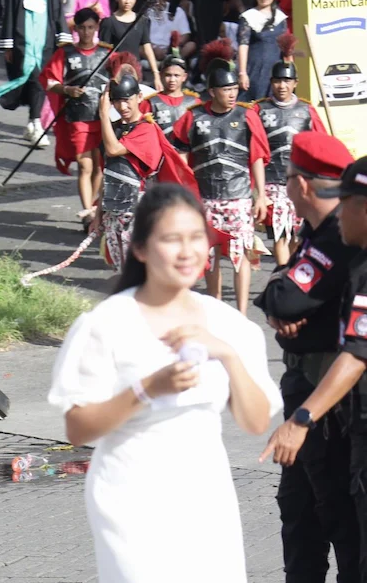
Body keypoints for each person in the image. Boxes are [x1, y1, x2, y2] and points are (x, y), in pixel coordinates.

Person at [49, 182, 281, 583]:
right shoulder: (106, 323)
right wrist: (146, 389)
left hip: (204, 489)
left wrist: (225, 354)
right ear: (140, 248)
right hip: (130, 491)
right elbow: (78, 426)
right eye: (171, 239)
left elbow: (256, 422)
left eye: (196, 238)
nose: (187, 251)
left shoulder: (229, 326)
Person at [254, 132, 360, 583]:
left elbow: (288, 301)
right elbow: (278, 298)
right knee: (298, 514)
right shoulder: (318, 231)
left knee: (338, 515)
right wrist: (285, 299)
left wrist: (290, 304)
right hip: (305, 386)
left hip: (327, 398)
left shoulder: (339, 234)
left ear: (302, 185)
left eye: (289, 179)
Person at [171, 40, 270, 315]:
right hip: (205, 200)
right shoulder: (193, 118)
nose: (231, 94)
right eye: (225, 90)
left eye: (234, 89)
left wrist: (260, 196)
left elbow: (257, 157)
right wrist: (182, 190)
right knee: (211, 258)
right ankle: (215, 309)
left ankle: (241, 313)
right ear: (212, 91)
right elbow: (177, 153)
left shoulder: (247, 116)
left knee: (242, 256)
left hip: (238, 198)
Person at [256, 33, 329, 265]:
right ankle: (282, 272)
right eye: (277, 81)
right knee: (280, 233)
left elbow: (321, 145)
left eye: (287, 81)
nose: (282, 86)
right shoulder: (259, 110)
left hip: (300, 180)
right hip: (273, 182)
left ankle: (293, 271)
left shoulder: (307, 111)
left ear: (295, 83)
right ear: (271, 82)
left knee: (297, 235)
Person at [0, 0, 72, 149]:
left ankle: (35, 122)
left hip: (45, 41)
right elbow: (9, 14)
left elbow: (57, 14)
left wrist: (62, 39)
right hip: (23, 41)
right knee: (31, 78)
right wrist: (8, 44)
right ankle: (34, 122)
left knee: (40, 81)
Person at [95, 54, 167, 270]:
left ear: (138, 97)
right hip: (114, 209)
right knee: (122, 269)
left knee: (138, 272)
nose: (122, 106)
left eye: (127, 99)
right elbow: (108, 173)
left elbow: (113, 149)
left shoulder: (146, 128)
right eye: (117, 101)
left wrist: (102, 115)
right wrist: (99, 212)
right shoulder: (116, 129)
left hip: (138, 211)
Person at [41, 8, 108, 226]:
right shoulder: (65, 53)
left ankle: (94, 206)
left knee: (100, 167)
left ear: (97, 27)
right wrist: (67, 90)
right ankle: (88, 213)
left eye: (91, 27)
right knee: (84, 165)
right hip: (77, 117)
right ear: (76, 29)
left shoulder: (108, 53)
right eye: (82, 28)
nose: (87, 32)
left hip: (102, 117)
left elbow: (122, 77)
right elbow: (49, 81)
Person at [100, 0, 163, 91]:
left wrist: (156, 74)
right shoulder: (109, 22)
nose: (127, 1)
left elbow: (147, 48)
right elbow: (103, 51)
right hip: (115, 72)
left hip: (135, 71)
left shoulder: (142, 21)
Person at [237, 0, 288, 102]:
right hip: (256, 69)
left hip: (275, 68)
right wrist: (242, 73)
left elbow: (286, 45)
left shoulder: (280, 18)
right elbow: (243, 45)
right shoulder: (248, 17)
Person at [146, 32, 200, 147]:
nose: (172, 80)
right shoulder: (150, 103)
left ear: (184, 77)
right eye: (168, 75)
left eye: (176, 75)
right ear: (160, 75)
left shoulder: (194, 103)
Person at [147, 0, 195, 65]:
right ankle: (157, 63)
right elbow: (142, 38)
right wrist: (153, 48)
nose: (157, 0)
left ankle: (175, 63)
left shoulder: (178, 11)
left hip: (173, 48)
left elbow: (186, 35)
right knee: (141, 48)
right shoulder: (146, 13)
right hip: (152, 49)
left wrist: (173, 46)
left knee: (191, 45)